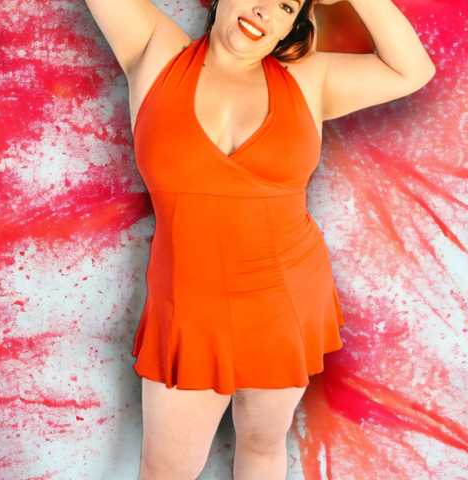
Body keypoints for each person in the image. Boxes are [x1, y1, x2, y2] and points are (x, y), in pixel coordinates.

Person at [85, 0, 435, 478]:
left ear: (292, 26)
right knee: (165, 469)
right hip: (189, 311)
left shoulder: (307, 78)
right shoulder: (155, 49)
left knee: (262, 442)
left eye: (286, 5)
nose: (265, 10)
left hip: (285, 301)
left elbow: (412, 70)